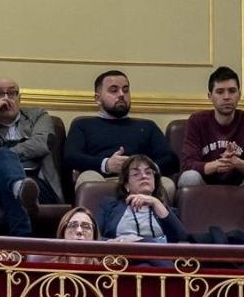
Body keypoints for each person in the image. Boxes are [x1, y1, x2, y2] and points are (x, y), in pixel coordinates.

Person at [66, 70, 179, 201]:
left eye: (125, 90)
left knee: (167, 184)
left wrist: (143, 169)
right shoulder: (83, 125)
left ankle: (151, 221)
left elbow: (171, 159)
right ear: (98, 99)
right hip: (103, 178)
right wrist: (106, 164)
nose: (121, 95)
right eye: (113, 90)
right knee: (88, 178)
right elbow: (71, 157)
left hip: (142, 181)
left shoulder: (147, 126)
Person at [0, 78, 60, 237]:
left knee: (4, 157)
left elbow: (42, 143)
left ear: (20, 97)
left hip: (37, 184)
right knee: (4, 180)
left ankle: (21, 190)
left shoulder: (38, 115)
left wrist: (7, 155)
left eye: (12, 93)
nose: (6, 98)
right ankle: (18, 188)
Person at [178, 66, 244, 198]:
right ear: (210, 96)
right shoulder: (197, 121)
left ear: (239, 94)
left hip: (240, 186)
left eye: (232, 91)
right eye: (220, 92)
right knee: (189, 177)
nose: (226, 97)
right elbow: (188, 165)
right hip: (204, 185)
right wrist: (218, 165)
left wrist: (236, 162)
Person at [97, 154, 184, 244]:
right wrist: (113, 242)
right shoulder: (110, 206)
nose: (144, 176)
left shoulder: (166, 211)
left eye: (148, 172)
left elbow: (182, 239)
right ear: (126, 185)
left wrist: (155, 202)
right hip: (121, 255)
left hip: (157, 256)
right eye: (136, 174)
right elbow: (94, 236)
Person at [28, 207, 102, 265]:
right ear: (63, 233)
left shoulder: (106, 271)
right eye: (73, 225)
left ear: (94, 236)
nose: (79, 231)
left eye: (86, 226)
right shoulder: (49, 270)